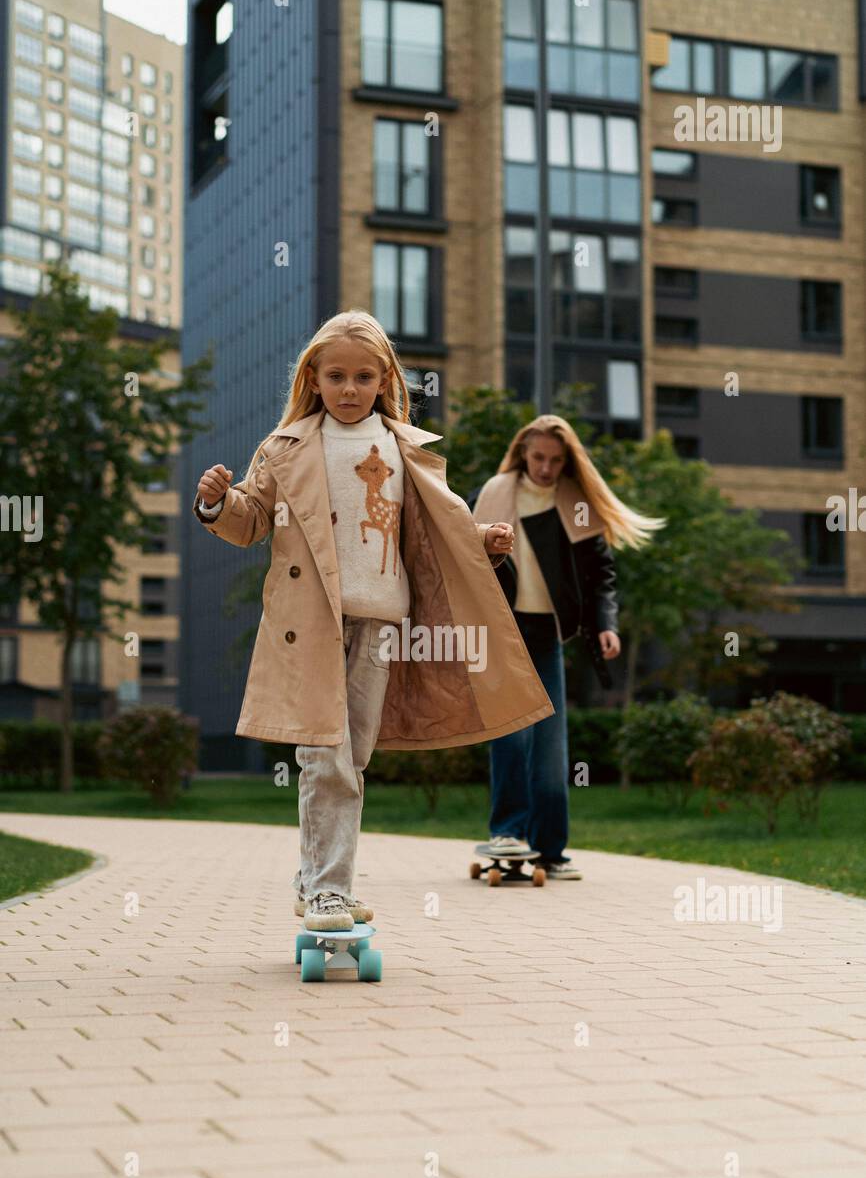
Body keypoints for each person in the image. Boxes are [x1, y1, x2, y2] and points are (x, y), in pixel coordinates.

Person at [192, 311, 554, 931]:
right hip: (311, 625)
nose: (350, 388)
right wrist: (216, 503)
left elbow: (434, 527)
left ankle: (314, 880)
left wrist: (481, 540)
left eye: (364, 376)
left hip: (385, 622)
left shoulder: (405, 446)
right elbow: (252, 521)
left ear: (385, 379)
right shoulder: (285, 448)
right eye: (336, 376)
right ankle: (330, 889)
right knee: (324, 755)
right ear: (314, 376)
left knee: (352, 757)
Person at [471, 415, 663, 880]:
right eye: (538, 457)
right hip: (502, 629)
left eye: (555, 460)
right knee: (512, 735)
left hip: (547, 635)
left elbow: (601, 575)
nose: (545, 468)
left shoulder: (575, 503)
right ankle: (507, 833)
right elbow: (463, 559)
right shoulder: (495, 492)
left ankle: (550, 851)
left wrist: (606, 625)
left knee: (552, 748)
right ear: (523, 454)